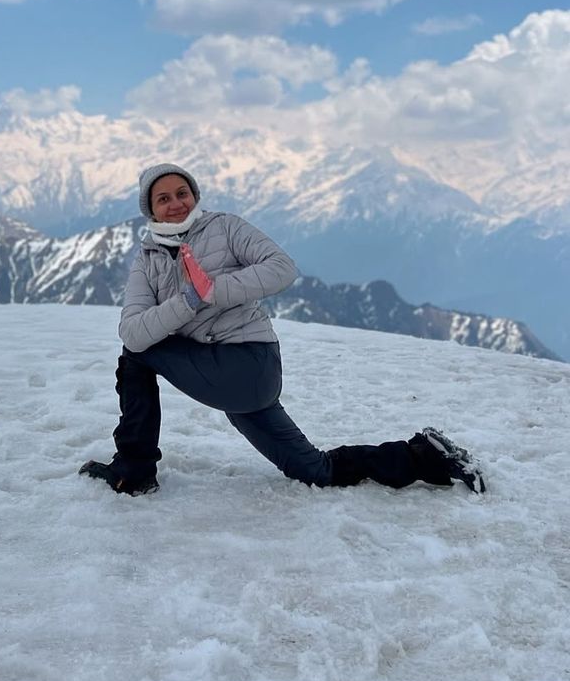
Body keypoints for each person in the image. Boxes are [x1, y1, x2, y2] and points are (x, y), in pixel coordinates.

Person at [79, 163, 486, 496]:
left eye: (182, 193)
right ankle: (427, 455)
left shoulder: (225, 227)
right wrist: (190, 299)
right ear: (150, 210)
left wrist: (215, 290)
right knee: (315, 470)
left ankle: (134, 472)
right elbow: (132, 331)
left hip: (248, 363)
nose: (176, 204)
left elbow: (282, 268)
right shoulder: (147, 259)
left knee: (139, 356)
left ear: (195, 195)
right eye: (163, 198)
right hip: (226, 381)